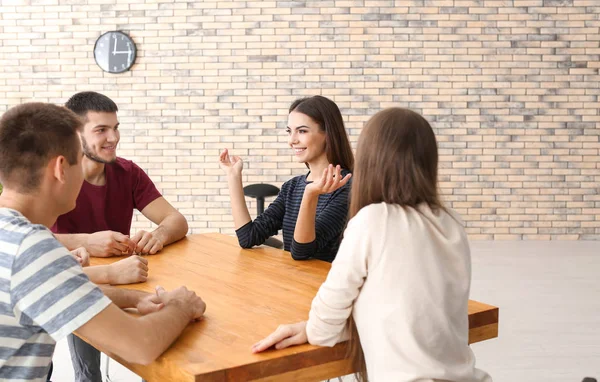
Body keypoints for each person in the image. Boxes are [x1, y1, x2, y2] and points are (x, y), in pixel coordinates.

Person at [251, 108, 492, 382]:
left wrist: (315, 328)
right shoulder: (450, 222)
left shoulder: (374, 219)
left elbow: (327, 316)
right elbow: (417, 313)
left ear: (371, 160)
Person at [0, 102, 206, 381]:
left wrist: (136, 298)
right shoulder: (32, 249)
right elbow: (139, 346)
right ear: (61, 169)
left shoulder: (10, 237)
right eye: (77, 160)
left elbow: (57, 293)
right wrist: (181, 306)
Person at [49, 91, 189, 382]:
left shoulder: (128, 172)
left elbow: (176, 220)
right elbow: (28, 239)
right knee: (90, 373)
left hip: (129, 278)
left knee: (161, 345)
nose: (113, 137)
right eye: (101, 130)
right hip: (77, 285)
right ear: (76, 135)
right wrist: (86, 241)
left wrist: (159, 234)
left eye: (116, 128)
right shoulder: (55, 177)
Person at [219, 96, 353, 263]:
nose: (292, 140)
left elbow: (302, 252)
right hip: (293, 283)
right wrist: (233, 176)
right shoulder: (292, 187)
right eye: (289, 131)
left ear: (327, 134)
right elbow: (248, 237)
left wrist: (310, 194)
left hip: (325, 286)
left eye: (302, 131)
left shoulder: (347, 187)